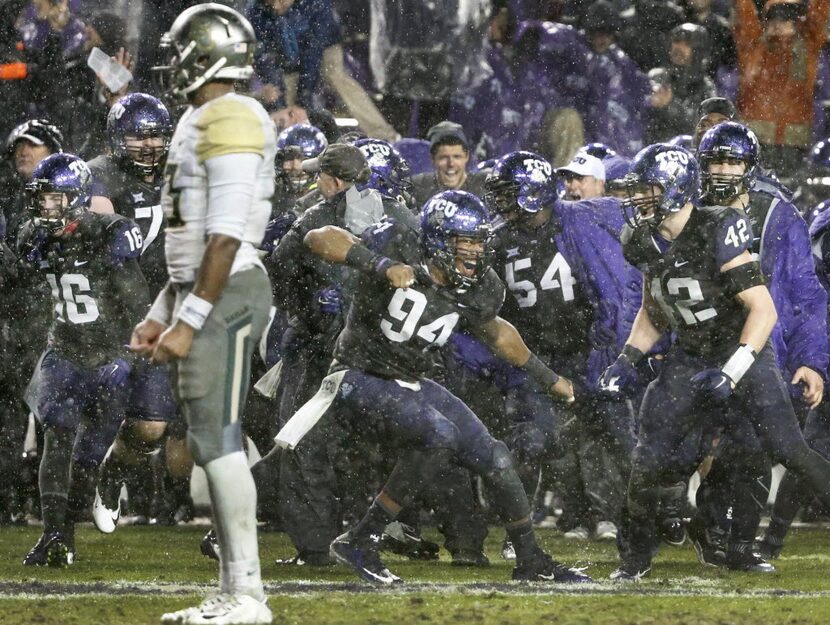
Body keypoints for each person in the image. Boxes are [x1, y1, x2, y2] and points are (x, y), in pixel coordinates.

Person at [277, 189, 590, 585]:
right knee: (438, 434)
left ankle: (530, 558)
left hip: (412, 380)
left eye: (480, 242)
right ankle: (362, 539)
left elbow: (495, 333)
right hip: (357, 374)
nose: (476, 252)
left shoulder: (480, 286)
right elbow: (317, 237)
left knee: (496, 457)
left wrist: (549, 379)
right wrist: (380, 264)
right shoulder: (398, 240)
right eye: (467, 242)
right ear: (440, 238)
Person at [599, 142, 830, 579]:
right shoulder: (642, 239)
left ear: (675, 190)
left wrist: (732, 373)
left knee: (788, 449)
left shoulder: (718, 225)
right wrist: (627, 359)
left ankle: (733, 542)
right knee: (649, 458)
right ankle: (634, 558)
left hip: (742, 350)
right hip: (690, 353)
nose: (639, 199)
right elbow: (654, 310)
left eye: (648, 190)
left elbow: (764, 310)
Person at [129, 5, 275, 624]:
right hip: (207, 288)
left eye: (180, 49)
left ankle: (248, 595)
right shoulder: (200, 115)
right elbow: (190, 245)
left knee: (219, 440)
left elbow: (224, 236)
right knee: (212, 439)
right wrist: (162, 308)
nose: (171, 61)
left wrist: (187, 318)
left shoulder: (234, 114)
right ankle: (232, 588)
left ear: (204, 53)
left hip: (230, 287)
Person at [685, 122, 827, 569]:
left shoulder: (779, 217)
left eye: (734, 161)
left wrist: (811, 361)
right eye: (717, 161)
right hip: (698, 350)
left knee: (752, 449)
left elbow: (805, 296)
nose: (725, 170)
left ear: (750, 166)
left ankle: (738, 542)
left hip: (761, 353)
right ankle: (695, 522)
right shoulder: (684, 210)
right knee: (681, 450)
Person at [484, 151, 638, 543]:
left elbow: (618, 283)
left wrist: (609, 346)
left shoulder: (582, 221)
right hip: (534, 357)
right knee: (535, 440)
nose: (501, 202)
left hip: (590, 350)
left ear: (532, 194)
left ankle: (636, 520)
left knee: (619, 436)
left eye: (509, 193)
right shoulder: (499, 241)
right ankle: (522, 532)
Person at [20, 152, 150, 567]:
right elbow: (21, 271)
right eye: (43, 198)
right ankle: (56, 535)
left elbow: (125, 236)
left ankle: (76, 513)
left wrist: (115, 237)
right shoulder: (32, 235)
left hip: (111, 355)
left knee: (89, 457)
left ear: (77, 199)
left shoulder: (103, 230)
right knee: (56, 439)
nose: (46, 207)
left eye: (56, 199)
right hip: (64, 349)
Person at [86, 92, 191, 531]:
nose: (148, 144)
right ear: (116, 135)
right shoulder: (99, 173)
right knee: (84, 415)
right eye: (137, 135)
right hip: (107, 312)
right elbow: (95, 215)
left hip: (159, 311)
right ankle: (62, 514)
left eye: (156, 135)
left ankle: (111, 475)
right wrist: (107, 226)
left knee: (151, 428)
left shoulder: (179, 175)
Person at [734, 0, 830, 179]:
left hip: (794, 142)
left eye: (785, 19)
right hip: (757, 139)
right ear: (765, 21)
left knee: (789, 194)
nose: (778, 24)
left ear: (795, 22)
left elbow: (819, 14)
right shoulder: (754, 43)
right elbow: (744, 12)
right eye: (773, 19)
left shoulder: (807, 44)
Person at [410, 121, 487, 207]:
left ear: (466, 157)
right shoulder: (417, 187)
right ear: (433, 159)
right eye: (444, 157)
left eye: (457, 157)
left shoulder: (485, 186)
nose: (451, 164)